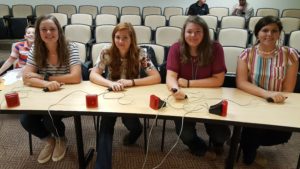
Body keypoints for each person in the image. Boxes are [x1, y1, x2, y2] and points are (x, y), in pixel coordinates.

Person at [90, 22, 161, 169]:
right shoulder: (106, 52)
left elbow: (156, 77)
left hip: (130, 96)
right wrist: (110, 83)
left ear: (132, 39)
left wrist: (131, 82)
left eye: (125, 38)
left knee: (133, 125)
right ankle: (102, 166)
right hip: (111, 96)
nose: (120, 41)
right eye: (117, 37)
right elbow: (93, 74)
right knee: (106, 126)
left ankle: (136, 132)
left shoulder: (141, 53)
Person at [236, 16, 299, 165]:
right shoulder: (246, 54)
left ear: (279, 34)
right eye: (265, 30)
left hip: (279, 102)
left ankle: (246, 142)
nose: (269, 34)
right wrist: (266, 94)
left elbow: (288, 89)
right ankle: (248, 147)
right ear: (257, 33)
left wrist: (273, 98)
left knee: (282, 136)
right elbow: (241, 82)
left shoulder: (290, 55)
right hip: (252, 100)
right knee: (254, 130)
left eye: (274, 31)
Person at [20, 15, 82, 164]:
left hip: (67, 95)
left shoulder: (70, 47)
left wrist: (44, 77)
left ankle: (61, 139)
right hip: (44, 94)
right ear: (38, 33)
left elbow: (75, 77)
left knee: (49, 116)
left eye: (52, 29)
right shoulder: (36, 48)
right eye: (44, 29)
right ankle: (50, 140)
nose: (48, 33)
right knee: (26, 120)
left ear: (59, 31)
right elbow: (26, 77)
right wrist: (46, 84)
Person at [166, 15, 231, 157]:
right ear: (184, 32)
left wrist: (189, 83)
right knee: (185, 133)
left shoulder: (216, 48)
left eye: (198, 31)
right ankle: (197, 144)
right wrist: (175, 89)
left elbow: (218, 80)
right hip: (184, 97)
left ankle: (217, 142)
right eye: (189, 31)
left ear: (205, 33)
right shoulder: (176, 48)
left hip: (210, 95)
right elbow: (171, 76)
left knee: (222, 135)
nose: (193, 35)